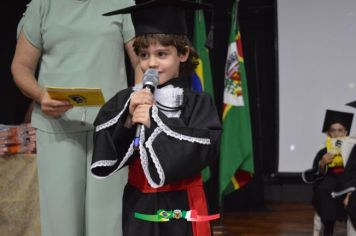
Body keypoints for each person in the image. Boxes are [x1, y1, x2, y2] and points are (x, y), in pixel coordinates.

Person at [90, 1, 222, 235]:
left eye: (162, 54)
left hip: (181, 204)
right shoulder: (129, 100)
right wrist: (128, 121)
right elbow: (107, 141)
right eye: (144, 55)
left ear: (182, 54)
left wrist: (154, 125)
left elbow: (203, 148)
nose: (151, 63)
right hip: (139, 202)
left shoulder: (198, 102)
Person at [10, 0, 139, 235]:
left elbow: (141, 60)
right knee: (61, 224)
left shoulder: (122, 2)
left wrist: (136, 103)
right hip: (57, 127)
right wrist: (40, 95)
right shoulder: (42, 5)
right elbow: (21, 66)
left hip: (110, 131)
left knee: (108, 222)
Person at [303, 109, 355, 236]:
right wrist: (322, 163)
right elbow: (316, 175)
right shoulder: (323, 151)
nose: (337, 134)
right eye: (333, 130)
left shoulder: (354, 147)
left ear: (346, 132)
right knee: (324, 193)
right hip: (330, 187)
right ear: (328, 134)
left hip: (351, 186)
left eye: (340, 130)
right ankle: (328, 231)